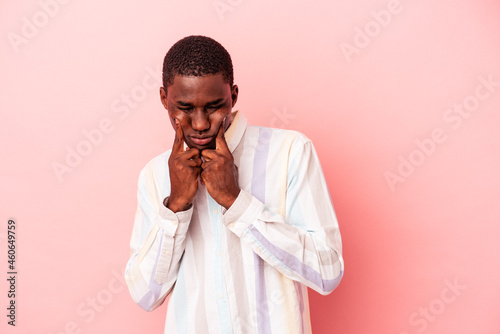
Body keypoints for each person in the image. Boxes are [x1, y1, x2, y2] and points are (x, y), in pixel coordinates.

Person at [124, 35, 344, 334]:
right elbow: (146, 295)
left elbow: (327, 271)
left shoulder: (290, 152)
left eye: (215, 106)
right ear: (164, 98)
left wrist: (235, 201)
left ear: (234, 95)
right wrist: (175, 206)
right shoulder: (154, 175)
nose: (200, 123)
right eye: (185, 108)